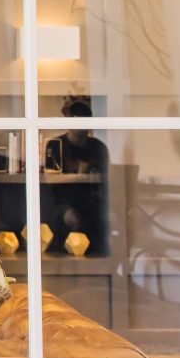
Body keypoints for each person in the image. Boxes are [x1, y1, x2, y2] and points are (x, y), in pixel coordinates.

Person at [43, 97, 111, 254]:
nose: (82, 125)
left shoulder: (98, 147)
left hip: (93, 199)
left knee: (106, 219)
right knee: (73, 218)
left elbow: (108, 178)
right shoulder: (55, 145)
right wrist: (79, 175)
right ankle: (68, 257)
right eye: (77, 119)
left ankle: (100, 258)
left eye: (86, 120)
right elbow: (50, 179)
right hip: (63, 200)